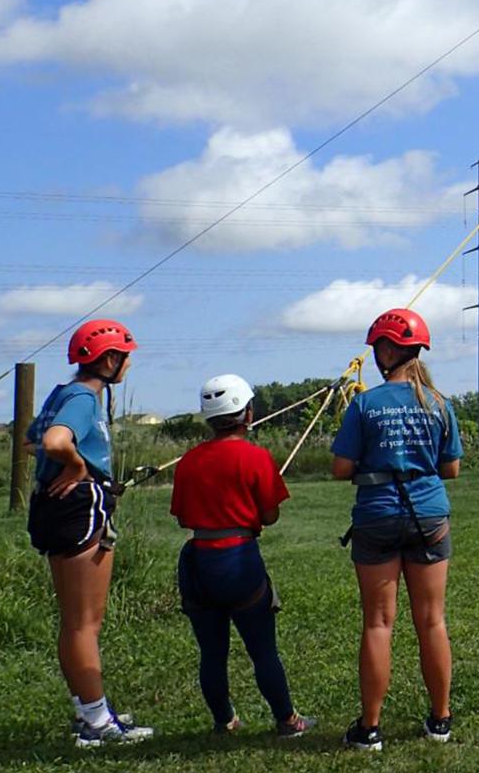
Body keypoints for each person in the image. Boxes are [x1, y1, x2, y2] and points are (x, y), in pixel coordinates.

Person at [331, 308, 464, 749]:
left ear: (388, 350)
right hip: (428, 516)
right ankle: (440, 720)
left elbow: (340, 467)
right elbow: (452, 468)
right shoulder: (440, 402)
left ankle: (369, 728)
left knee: (378, 623)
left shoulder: (365, 405)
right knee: (432, 621)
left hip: (377, 516)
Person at [24, 319, 154, 747]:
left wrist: (69, 461)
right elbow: (56, 441)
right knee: (85, 625)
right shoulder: (82, 397)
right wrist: (79, 467)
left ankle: (89, 710)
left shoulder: (63, 394)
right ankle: (98, 725)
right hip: (80, 507)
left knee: (73, 623)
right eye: (126, 356)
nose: (129, 364)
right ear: (110, 359)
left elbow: (31, 440)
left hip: (53, 506)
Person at [170, 374, 315, 737]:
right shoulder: (256, 458)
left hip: (199, 559)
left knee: (212, 653)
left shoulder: (188, 461)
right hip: (239, 560)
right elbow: (270, 515)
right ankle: (287, 720)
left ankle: (225, 720)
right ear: (247, 413)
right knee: (263, 649)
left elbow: (183, 517)